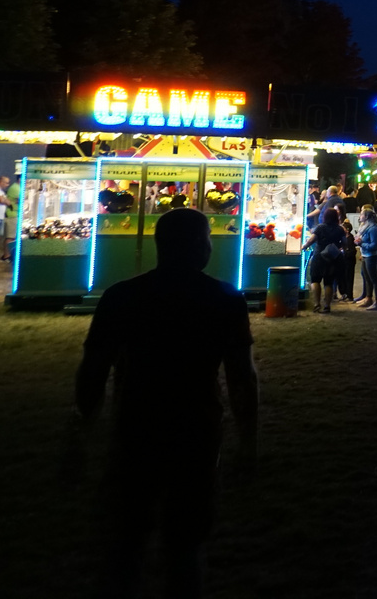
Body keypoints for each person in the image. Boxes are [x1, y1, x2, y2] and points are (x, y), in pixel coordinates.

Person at [73, 207, 258, 599]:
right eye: (208, 237)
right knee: (185, 544)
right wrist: (249, 438)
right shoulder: (224, 299)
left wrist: (81, 429)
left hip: (135, 426)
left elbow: (92, 369)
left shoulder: (121, 296)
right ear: (198, 246)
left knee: (126, 539)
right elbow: (242, 376)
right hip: (196, 429)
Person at [307, 205, 345, 313]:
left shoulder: (320, 227)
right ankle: (327, 305)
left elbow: (311, 240)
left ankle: (316, 304)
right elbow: (345, 243)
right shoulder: (340, 229)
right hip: (332, 258)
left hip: (319, 256)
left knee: (315, 280)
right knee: (328, 282)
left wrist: (303, 247)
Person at [355, 207, 377, 310]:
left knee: (374, 279)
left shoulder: (373, 229)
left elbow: (374, 245)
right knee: (367, 278)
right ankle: (368, 298)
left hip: (371, 256)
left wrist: (362, 243)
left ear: (366, 217)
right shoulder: (365, 227)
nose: (360, 216)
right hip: (366, 255)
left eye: (361, 215)